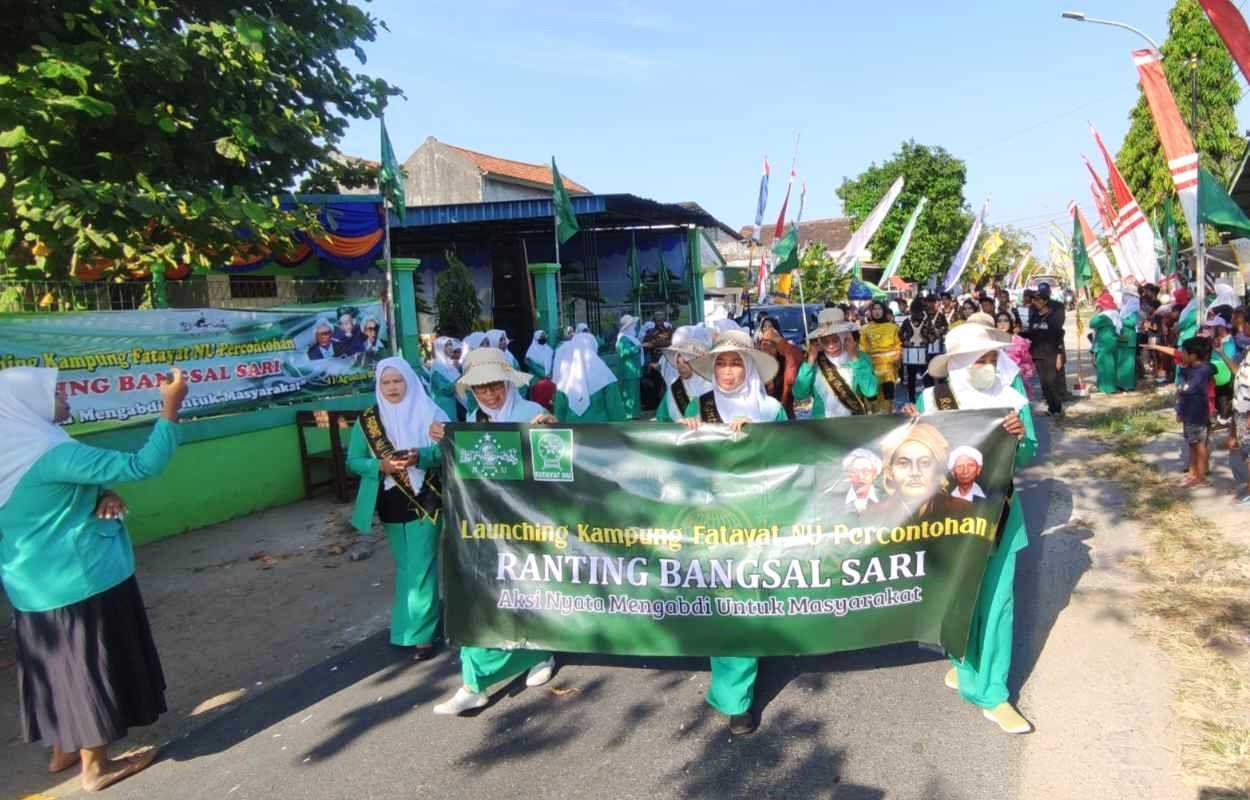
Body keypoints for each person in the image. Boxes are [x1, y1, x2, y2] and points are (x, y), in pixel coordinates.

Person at [1, 366, 188, 791]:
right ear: (28, 403)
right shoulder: (53, 454)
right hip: (81, 577)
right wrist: (171, 406)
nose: (67, 398)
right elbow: (144, 465)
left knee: (54, 667)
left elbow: (46, 495)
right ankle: (95, 767)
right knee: (88, 668)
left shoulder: (15, 447)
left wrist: (101, 492)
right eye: (57, 393)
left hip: (31, 585)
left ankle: (63, 749)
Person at [903, 322, 1037, 735]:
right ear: (959, 363)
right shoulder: (933, 399)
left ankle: (991, 694)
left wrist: (1019, 438)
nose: (987, 365)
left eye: (992, 358)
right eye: (979, 359)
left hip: (999, 517)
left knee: (997, 604)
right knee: (960, 598)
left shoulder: (1012, 399)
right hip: (950, 520)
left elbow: (1029, 454)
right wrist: (912, 429)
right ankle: (963, 664)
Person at [676, 329, 788, 736]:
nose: (726, 371)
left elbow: (792, 462)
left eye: (735, 363)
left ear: (749, 367)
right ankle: (735, 697)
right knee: (727, 600)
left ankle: (753, 663)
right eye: (720, 363)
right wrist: (683, 433)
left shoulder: (771, 410)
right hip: (711, 519)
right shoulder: (696, 405)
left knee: (751, 596)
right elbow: (670, 459)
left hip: (759, 517)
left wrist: (757, 440)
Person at [434, 348, 557, 715]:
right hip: (486, 524)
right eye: (480, 388)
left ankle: (540, 653)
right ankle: (473, 683)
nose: (488, 394)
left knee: (532, 589)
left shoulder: (530, 414)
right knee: (482, 592)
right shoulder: (472, 418)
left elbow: (559, 454)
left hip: (530, 519)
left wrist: (550, 427)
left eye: (494, 386)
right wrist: (443, 439)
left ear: (507, 383)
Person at [346, 358, 446, 658]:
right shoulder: (367, 421)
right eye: (386, 382)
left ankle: (422, 635)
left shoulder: (432, 411)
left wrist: (421, 456)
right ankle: (405, 628)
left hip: (425, 498)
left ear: (409, 381)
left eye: (397, 381)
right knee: (406, 567)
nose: (392, 387)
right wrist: (381, 464)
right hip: (389, 500)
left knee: (422, 567)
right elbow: (353, 460)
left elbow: (448, 449)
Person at [792, 308, 879, 418]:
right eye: (825, 341)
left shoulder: (860, 357)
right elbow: (799, 394)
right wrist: (809, 362)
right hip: (823, 427)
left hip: (855, 425)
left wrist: (855, 358)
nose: (831, 346)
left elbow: (871, 391)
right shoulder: (814, 361)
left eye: (835, 340)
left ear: (845, 337)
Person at [553, 332, 628, 422]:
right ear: (593, 347)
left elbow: (559, 415)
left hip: (573, 432)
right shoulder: (605, 375)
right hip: (601, 432)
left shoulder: (564, 379)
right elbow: (616, 411)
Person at [1177, 337, 1214, 489]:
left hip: (1196, 414)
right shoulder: (1192, 369)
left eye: (1184, 353)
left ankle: (1201, 476)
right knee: (1192, 444)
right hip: (1189, 413)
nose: (1182, 355)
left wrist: (1181, 388)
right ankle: (1193, 472)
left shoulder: (1202, 371)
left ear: (1194, 355)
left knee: (1199, 445)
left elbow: (1187, 389)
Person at [655, 326, 712, 423]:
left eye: (686, 362)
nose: (681, 367)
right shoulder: (674, 390)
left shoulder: (714, 389)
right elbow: (661, 419)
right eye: (678, 362)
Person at [1025, 286, 1066, 418]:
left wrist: (1060, 355)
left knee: (1051, 381)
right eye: (1034, 300)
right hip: (1037, 354)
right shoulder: (1035, 317)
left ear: (1044, 301)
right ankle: (1051, 407)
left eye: (1037, 300)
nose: (1034, 303)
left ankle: (1057, 408)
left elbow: (1059, 336)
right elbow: (1031, 334)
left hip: (1051, 354)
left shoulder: (1053, 318)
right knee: (1044, 383)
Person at [860, 300, 902, 413]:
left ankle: (889, 415)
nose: (877, 312)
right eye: (874, 309)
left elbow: (898, 346)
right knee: (872, 395)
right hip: (873, 368)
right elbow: (862, 349)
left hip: (888, 368)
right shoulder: (865, 329)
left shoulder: (893, 328)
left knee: (889, 395)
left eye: (879, 309)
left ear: (884, 311)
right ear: (870, 312)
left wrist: (895, 359)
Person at [756, 324, 803, 418]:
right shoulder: (754, 365)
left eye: (772, 345)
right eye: (764, 344)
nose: (767, 349)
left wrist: (780, 340)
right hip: (759, 416)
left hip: (784, 416)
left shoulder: (785, 365)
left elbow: (797, 356)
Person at [899, 298, 936, 403]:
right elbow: (900, 334)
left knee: (926, 378)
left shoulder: (927, 322)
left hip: (924, 353)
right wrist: (905, 342)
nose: (917, 314)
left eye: (919, 311)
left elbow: (934, 335)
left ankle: (929, 399)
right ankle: (913, 401)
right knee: (913, 379)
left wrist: (927, 340)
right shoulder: (907, 321)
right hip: (912, 354)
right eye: (915, 311)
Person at [1088, 291, 1122, 395]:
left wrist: (1097, 312)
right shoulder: (1115, 313)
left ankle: (1107, 388)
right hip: (1113, 341)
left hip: (1104, 343)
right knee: (1111, 364)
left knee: (1104, 364)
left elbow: (1092, 323)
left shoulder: (1104, 316)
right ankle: (1109, 386)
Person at [1230, 355, 1250, 504]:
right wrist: (1222, 353)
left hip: (1247, 413)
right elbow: (1239, 374)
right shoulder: (1247, 353)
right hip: (1241, 411)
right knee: (1243, 452)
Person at [616, 314, 643, 419]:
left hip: (632, 370)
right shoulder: (623, 339)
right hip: (628, 371)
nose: (634, 327)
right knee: (629, 394)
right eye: (632, 326)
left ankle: (634, 414)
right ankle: (629, 414)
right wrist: (637, 347)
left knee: (634, 393)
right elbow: (623, 352)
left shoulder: (629, 338)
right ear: (628, 327)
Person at [840, 448, 882, 514]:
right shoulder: (833, 500)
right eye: (855, 471)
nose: (860, 477)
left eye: (865, 471)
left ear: (874, 474)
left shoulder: (886, 499)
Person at [430, 337, 463, 421]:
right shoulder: (437, 367)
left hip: (456, 405)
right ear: (439, 348)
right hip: (445, 408)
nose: (451, 347)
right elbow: (444, 389)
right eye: (447, 345)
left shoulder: (451, 366)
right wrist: (461, 378)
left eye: (451, 344)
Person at [1115, 288, 1140, 392]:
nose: (1123, 297)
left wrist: (1120, 320)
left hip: (1130, 336)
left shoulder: (1134, 310)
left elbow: (1132, 323)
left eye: (1126, 296)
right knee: (1121, 359)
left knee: (1129, 361)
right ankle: (1121, 383)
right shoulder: (1124, 309)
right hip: (1123, 335)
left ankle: (1128, 385)